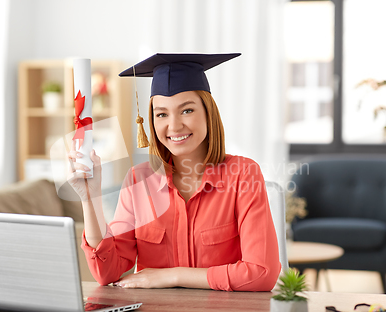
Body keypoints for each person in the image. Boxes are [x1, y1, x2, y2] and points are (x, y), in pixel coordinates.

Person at [67, 53, 281, 292]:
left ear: (208, 113)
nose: (174, 125)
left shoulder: (243, 174)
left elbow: (262, 273)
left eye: (187, 110)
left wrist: (173, 276)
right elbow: (106, 273)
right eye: (161, 114)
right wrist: (90, 198)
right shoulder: (139, 180)